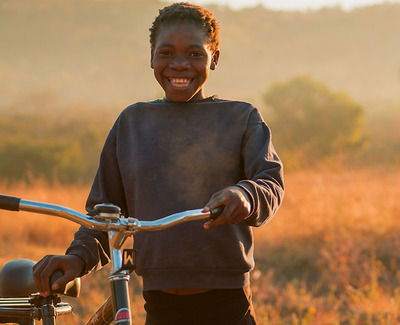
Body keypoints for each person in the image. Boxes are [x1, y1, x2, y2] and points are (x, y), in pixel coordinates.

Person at [33, 2, 284, 324]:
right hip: (158, 303)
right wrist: (76, 258)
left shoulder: (240, 118)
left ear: (215, 59)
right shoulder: (132, 123)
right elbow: (104, 212)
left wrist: (245, 195)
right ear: (151, 56)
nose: (179, 65)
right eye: (166, 53)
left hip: (229, 302)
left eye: (195, 54)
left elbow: (270, 182)